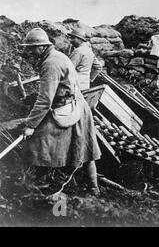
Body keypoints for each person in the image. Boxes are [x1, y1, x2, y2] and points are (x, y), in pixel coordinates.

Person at [19, 28, 101, 195]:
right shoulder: (55, 56)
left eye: (31, 48)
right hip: (74, 103)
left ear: (42, 47)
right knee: (83, 148)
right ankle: (92, 187)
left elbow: (45, 100)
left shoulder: (50, 63)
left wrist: (31, 124)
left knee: (40, 138)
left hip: (71, 108)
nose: (29, 51)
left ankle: (43, 181)